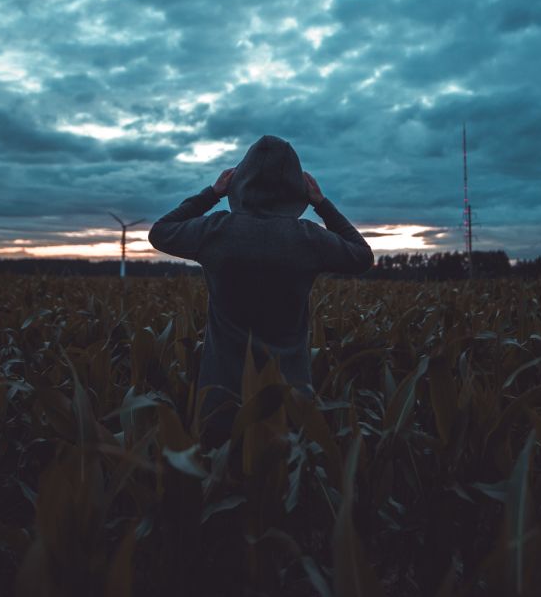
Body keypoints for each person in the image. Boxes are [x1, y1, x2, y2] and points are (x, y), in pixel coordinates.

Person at [148, 135, 373, 447]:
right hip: (289, 402)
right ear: (296, 189)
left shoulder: (216, 231)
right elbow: (362, 256)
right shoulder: (307, 238)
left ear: (239, 182)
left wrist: (211, 194)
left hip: (219, 402)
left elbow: (160, 232)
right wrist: (322, 204)